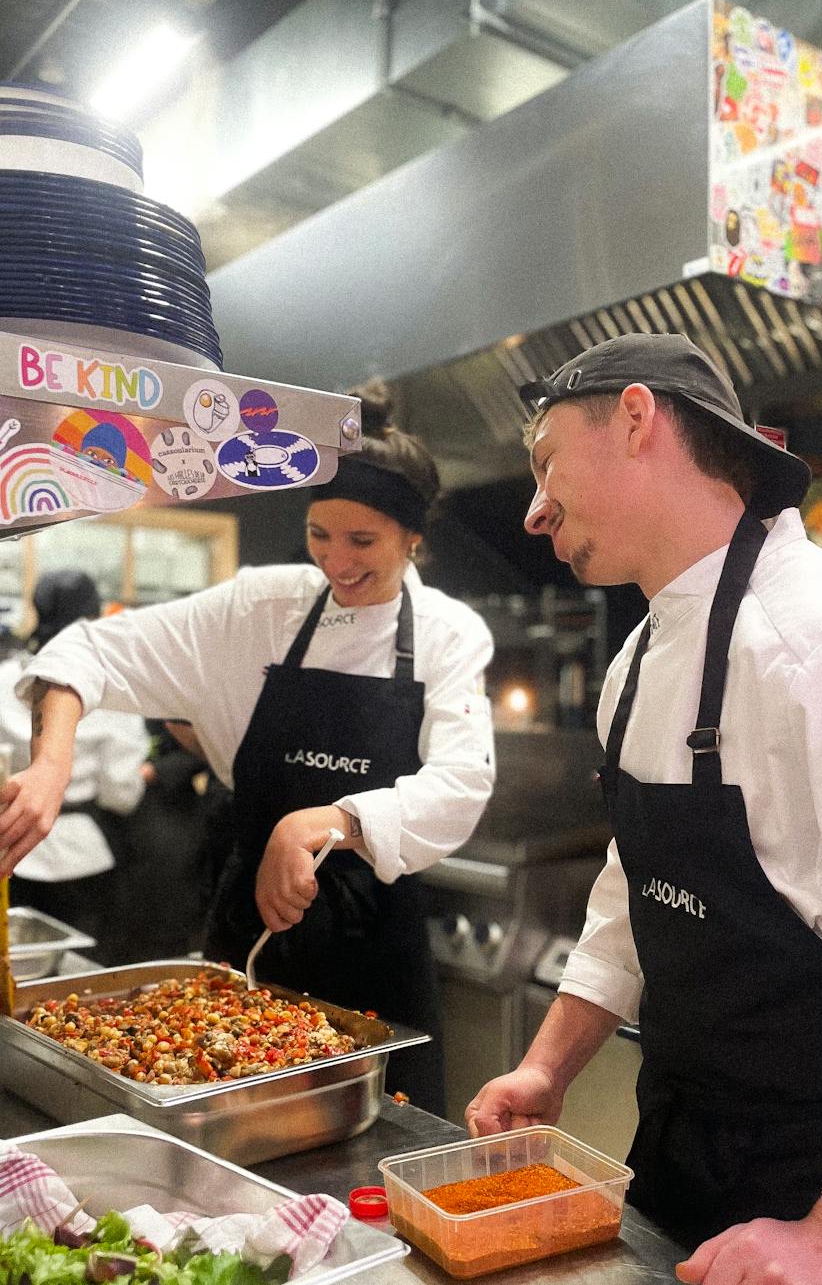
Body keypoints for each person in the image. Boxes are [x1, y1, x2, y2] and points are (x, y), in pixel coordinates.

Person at [464, 335, 822, 1285]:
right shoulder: (637, 663)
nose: (533, 508)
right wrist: (549, 1066)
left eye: (547, 461)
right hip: (688, 1154)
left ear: (636, 418)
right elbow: (636, 885)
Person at [1, 383, 495, 1114]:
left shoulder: (450, 634)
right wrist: (50, 764)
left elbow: (460, 785)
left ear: (413, 538)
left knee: (383, 1142)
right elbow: (88, 651)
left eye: (364, 541)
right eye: (321, 534)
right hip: (250, 935)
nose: (337, 560)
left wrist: (323, 822)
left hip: (375, 953)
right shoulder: (262, 607)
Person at [0, 571, 149, 961]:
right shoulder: (111, 687)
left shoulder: (3, 678)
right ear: (95, 611)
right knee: (78, 974)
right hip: (83, 851)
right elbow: (121, 793)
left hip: (11, 843)